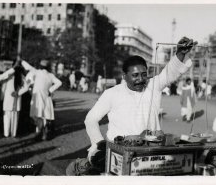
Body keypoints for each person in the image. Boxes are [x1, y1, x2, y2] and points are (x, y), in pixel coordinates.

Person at [68, 37, 196, 175]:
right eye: (135, 75)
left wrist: (181, 53)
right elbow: (90, 120)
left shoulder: (153, 86)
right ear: (124, 76)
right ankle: (82, 164)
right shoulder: (112, 93)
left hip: (150, 151)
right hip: (118, 152)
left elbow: (170, 72)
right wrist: (99, 145)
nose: (141, 79)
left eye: (144, 74)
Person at [21, 59, 62, 141]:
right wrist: (50, 90)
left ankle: (41, 131)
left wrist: (21, 61)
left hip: (37, 97)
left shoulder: (37, 72)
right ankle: (44, 133)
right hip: (46, 96)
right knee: (45, 116)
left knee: (35, 115)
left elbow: (27, 66)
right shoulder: (50, 75)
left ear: (40, 66)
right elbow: (59, 83)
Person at [2, 65, 29, 137]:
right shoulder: (22, 77)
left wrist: (2, 98)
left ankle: (6, 133)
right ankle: (13, 134)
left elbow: (3, 88)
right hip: (16, 98)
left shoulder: (8, 76)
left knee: (6, 117)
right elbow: (26, 88)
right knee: (15, 118)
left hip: (8, 99)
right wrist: (18, 93)